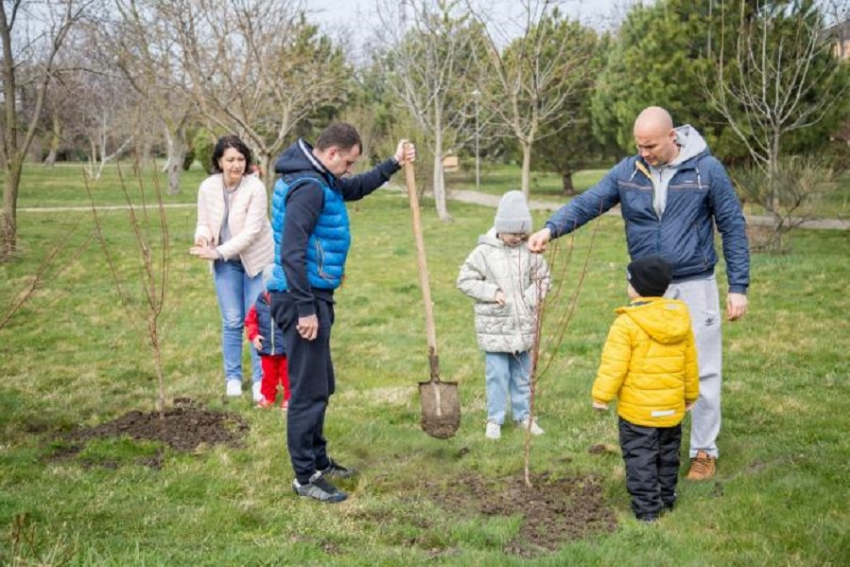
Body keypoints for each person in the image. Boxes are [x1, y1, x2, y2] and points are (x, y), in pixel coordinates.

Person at [528, 106, 749, 481]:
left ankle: (703, 451)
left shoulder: (706, 171)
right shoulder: (629, 172)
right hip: (648, 288)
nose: (643, 152)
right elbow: (589, 202)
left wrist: (738, 286)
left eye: (650, 145)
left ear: (672, 137)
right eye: (638, 145)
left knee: (703, 370)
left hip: (695, 282)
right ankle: (653, 444)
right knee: (646, 369)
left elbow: (732, 226)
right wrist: (550, 230)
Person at [267, 123, 416, 503]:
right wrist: (305, 310)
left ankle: (319, 460)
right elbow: (292, 253)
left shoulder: (321, 178)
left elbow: (354, 188)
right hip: (301, 299)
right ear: (331, 153)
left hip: (315, 295)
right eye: (347, 162)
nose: (349, 170)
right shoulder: (308, 188)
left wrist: (393, 163)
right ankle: (305, 477)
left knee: (321, 385)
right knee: (306, 392)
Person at [591, 255, 699, 523]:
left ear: (636, 288)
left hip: (638, 413)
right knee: (666, 455)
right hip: (671, 408)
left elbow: (614, 365)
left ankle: (648, 511)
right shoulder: (679, 319)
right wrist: (690, 395)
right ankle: (666, 499)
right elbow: (690, 362)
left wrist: (601, 396)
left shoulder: (627, 323)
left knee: (641, 457)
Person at [457, 190, 551, 440]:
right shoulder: (484, 252)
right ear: (500, 228)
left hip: (523, 326)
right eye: (513, 233)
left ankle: (524, 416)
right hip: (496, 329)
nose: (517, 238)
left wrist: (529, 299)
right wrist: (491, 291)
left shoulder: (529, 251)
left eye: (522, 234)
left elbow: (543, 279)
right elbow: (464, 280)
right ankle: (494, 419)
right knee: (497, 377)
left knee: (523, 377)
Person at [190, 134, 274, 402]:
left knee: (257, 320)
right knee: (233, 320)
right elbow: (204, 221)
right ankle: (233, 378)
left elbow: (251, 232)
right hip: (225, 263)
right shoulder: (208, 187)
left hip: (256, 262)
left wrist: (217, 252)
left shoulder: (255, 188)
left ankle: (260, 381)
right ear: (219, 161)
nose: (236, 165)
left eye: (240, 159)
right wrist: (202, 237)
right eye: (230, 160)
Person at [245, 266, 290, 409]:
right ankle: (268, 398)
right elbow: (250, 321)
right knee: (268, 376)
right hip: (267, 349)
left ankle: (289, 399)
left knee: (288, 375)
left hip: (285, 349)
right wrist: (254, 336)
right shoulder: (259, 303)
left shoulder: (289, 302)